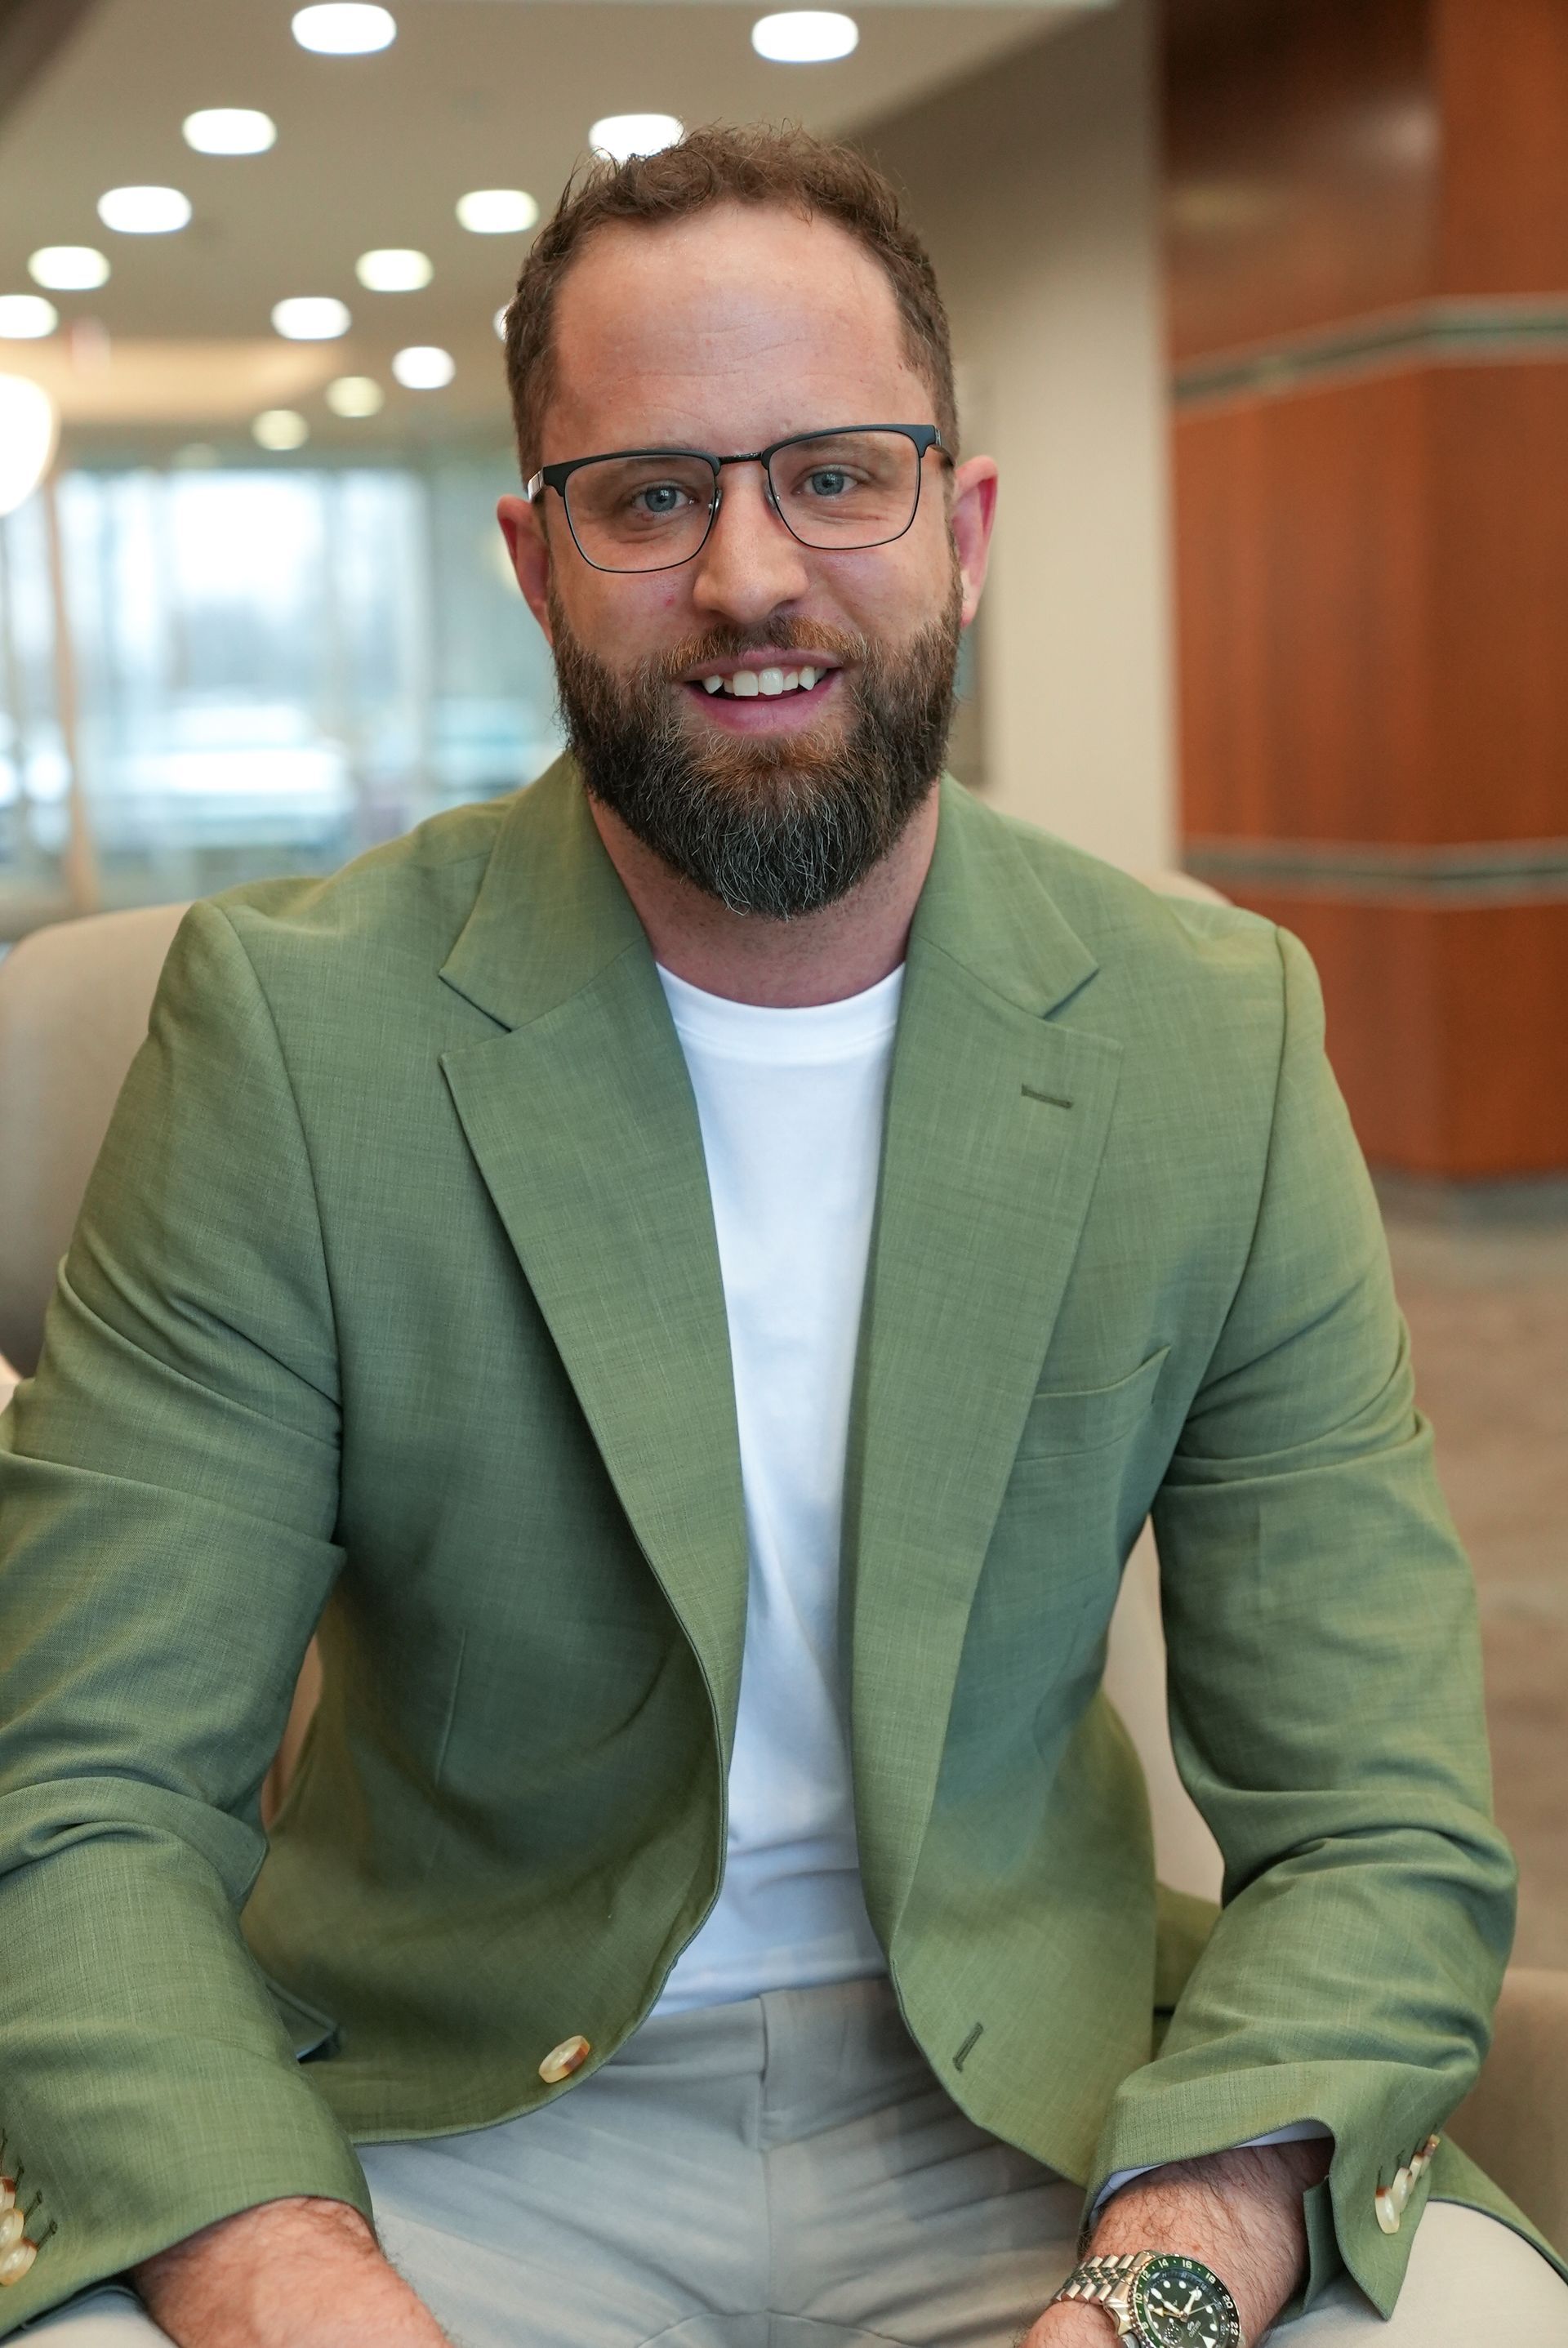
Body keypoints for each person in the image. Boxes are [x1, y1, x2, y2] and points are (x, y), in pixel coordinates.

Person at [0, 126, 1563, 2348]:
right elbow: (82, 1799)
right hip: (442, 2132)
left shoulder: (1212, 1037)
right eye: (650, 496)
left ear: (965, 530)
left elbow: (1379, 1819)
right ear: (536, 561)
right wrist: (294, 2285)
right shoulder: (295, 1036)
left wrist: (1166, 2282)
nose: (750, 574)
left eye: (836, 476)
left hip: (1047, 2104)